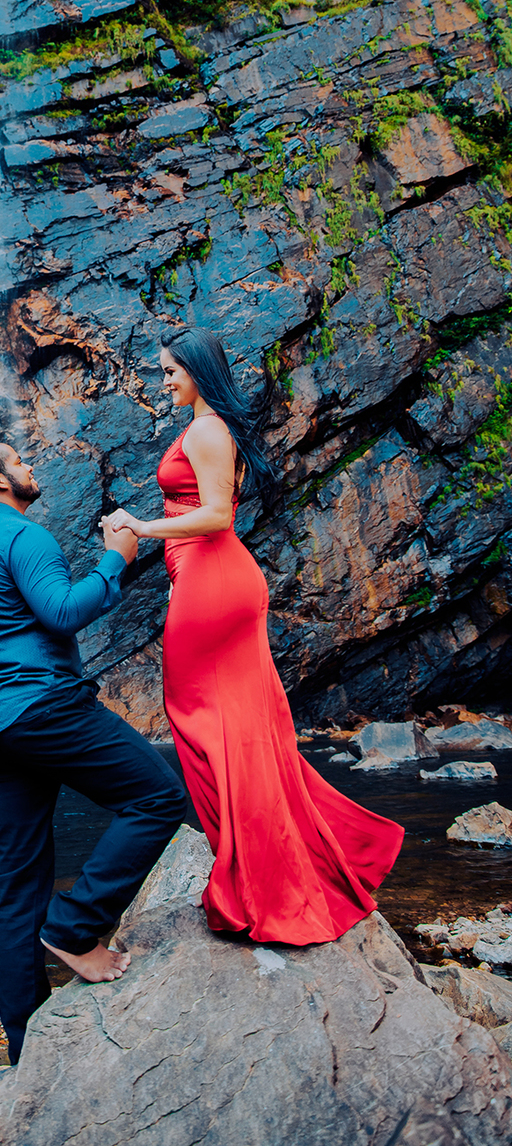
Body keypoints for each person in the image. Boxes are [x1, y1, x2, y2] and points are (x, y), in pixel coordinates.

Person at [106, 327, 404, 944]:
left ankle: (262, 881)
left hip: (215, 577)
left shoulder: (209, 430)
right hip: (205, 578)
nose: (163, 381)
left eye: (169, 371)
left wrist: (140, 525)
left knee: (203, 720)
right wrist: (174, 573)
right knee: (234, 728)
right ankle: (264, 870)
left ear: (196, 371)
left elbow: (215, 515)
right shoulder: (207, 428)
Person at [0, 442, 187, 1064]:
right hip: (44, 706)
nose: (33, 469)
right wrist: (116, 557)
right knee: (157, 797)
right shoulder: (24, 538)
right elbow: (61, 612)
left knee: (18, 878)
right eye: (22, 463)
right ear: (0, 480)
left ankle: (26, 1047)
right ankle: (74, 927)